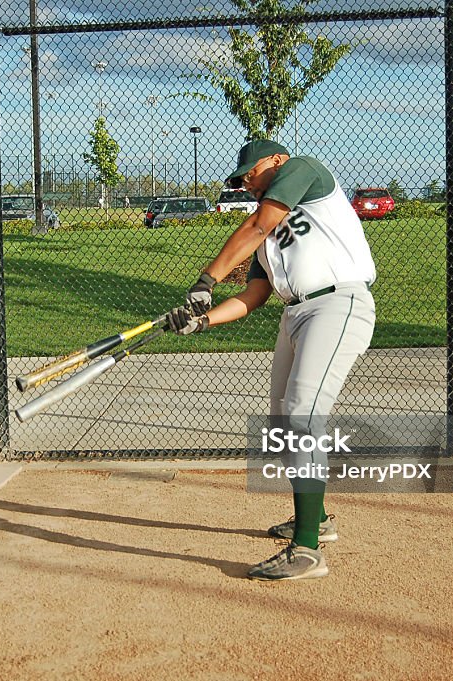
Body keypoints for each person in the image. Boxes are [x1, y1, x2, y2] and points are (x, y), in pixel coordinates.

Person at [167, 139, 376, 581]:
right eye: (242, 179)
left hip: (337, 303)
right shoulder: (271, 233)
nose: (246, 182)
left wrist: (207, 278)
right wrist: (202, 320)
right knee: (283, 424)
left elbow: (258, 226)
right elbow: (254, 294)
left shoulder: (303, 168)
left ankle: (306, 550)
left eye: (251, 172)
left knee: (303, 414)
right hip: (295, 313)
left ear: (276, 161)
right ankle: (316, 520)